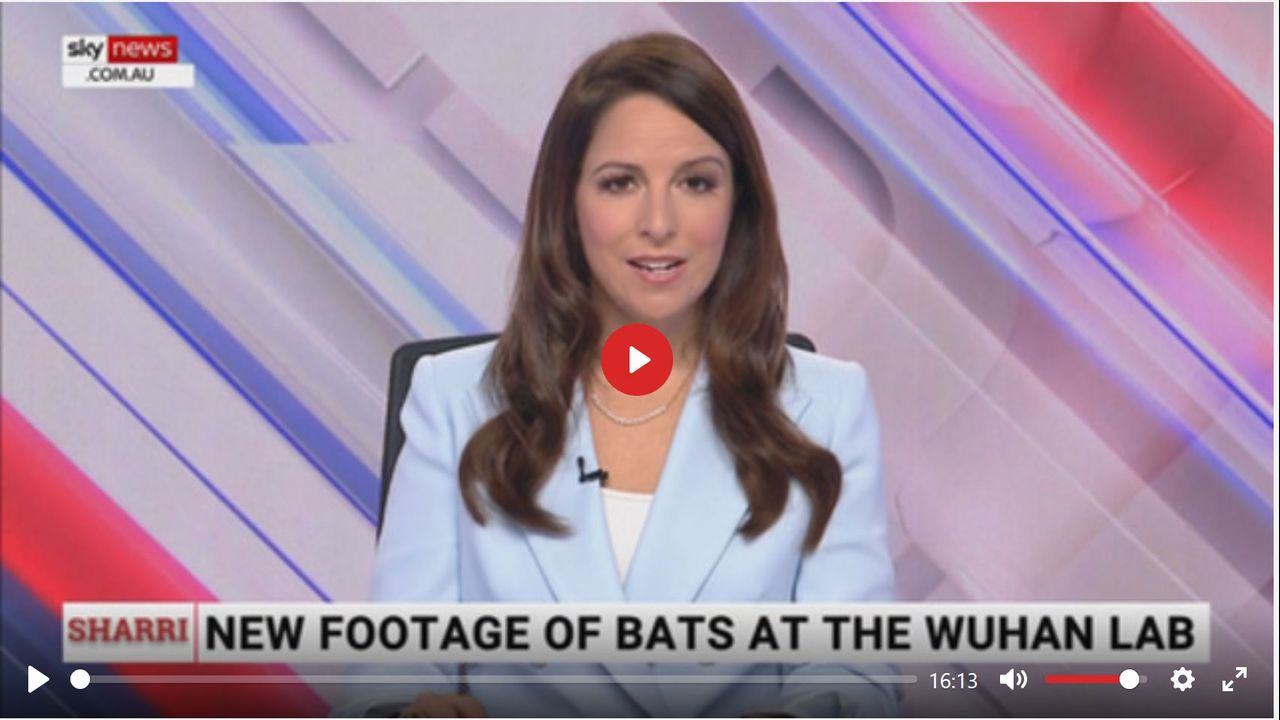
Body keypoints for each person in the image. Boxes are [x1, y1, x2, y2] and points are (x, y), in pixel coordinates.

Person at [340, 31, 895, 718]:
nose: (658, 223)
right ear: (568, 205)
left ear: (739, 205)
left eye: (696, 183)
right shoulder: (454, 399)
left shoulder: (827, 406)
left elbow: (856, 679)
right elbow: (385, 679)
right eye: (620, 183)